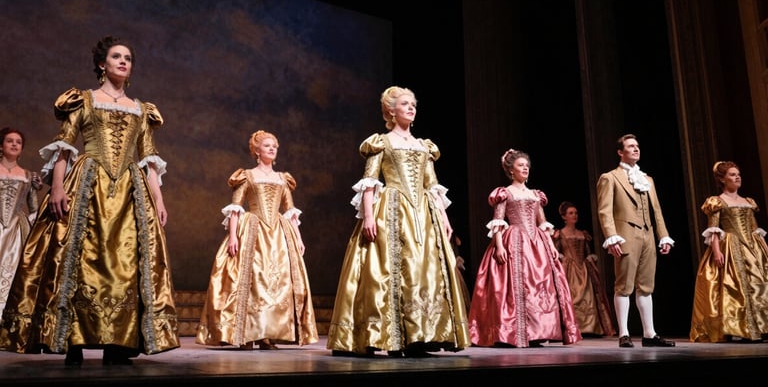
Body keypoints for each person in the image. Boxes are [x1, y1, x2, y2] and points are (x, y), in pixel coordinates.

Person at [0, 35, 179, 365]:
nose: (123, 62)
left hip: (129, 190)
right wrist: (56, 188)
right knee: (79, 257)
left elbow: (149, 158)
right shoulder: (82, 100)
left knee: (125, 263)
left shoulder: (141, 110)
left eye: (127, 58)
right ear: (102, 64)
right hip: (87, 183)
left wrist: (159, 198)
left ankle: (119, 343)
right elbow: (64, 147)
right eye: (116, 57)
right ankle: (74, 341)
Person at [326, 85, 470, 357]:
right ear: (391, 110)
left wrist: (444, 217)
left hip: (423, 214)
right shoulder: (381, 142)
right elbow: (370, 183)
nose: (411, 108)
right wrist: (368, 215)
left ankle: (421, 335)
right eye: (405, 104)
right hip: (391, 210)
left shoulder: (424, 146)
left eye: (413, 104)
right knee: (389, 270)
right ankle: (392, 337)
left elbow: (432, 185)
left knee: (425, 269)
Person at [196, 130, 318, 350]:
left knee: (276, 282)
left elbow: (290, 211)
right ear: (257, 151)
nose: (272, 149)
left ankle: (267, 336)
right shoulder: (247, 176)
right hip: (252, 229)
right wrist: (233, 236)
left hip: (279, 234)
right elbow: (235, 208)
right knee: (253, 280)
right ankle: (247, 334)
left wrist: (299, 238)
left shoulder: (283, 178)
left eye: (274, 146)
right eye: (267, 146)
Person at [468, 148, 581, 348]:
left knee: (541, 285)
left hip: (537, 243)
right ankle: (513, 332)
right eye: (521, 165)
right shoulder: (505, 193)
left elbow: (542, 222)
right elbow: (497, 221)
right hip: (514, 239)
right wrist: (500, 247)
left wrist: (551, 246)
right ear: (511, 170)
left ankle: (538, 331)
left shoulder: (536, 195)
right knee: (516, 286)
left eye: (527, 165)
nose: (525, 168)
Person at [596, 133, 675, 348]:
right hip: (625, 236)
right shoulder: (610, 177)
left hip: (648, 235)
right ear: (620, 152)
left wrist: (663, 235)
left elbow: (657, 211)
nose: (636, 149)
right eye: (631, 146)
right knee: (623, 285)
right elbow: (605, 211)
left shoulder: (647, 179)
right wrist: (611, 237)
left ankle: (649, 333)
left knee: (646, 286)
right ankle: (624, 333)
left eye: (637, 146)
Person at [690, 161, 768, 342]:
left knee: (758, 286)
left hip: (753, 246)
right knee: (735, 287)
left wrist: (765, 248)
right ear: (722, 180)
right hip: (731, 246)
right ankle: (740, 329)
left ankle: (760, 327)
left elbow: (755, 228)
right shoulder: (717, 201)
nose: (737, 177)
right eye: (732, 175)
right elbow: (714, 228)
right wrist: (717, 252)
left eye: (738, 174)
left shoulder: (748, 202)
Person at [553, 201, 616, 337]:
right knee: (571, 296)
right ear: (564, 217)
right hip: (568, 269)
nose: (574, 215)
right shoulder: (560, 234)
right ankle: (572, 328)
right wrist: (562, 258)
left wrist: (590, 258)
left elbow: (588, 252)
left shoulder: (583, 234)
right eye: (570, 213)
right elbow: (556, 251)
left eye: (575, 213)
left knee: (590, 297)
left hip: (584, 269)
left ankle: (591, 328)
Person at [0, 127, 42, 319]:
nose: (15, 144)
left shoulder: (28, 175)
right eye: (10, 140)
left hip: (16, 230)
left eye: (18, 142)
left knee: (13, 270)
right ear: (1, 145)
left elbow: (33, 207)